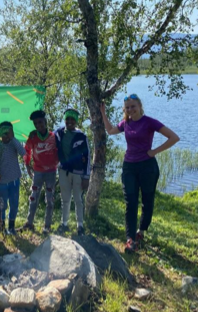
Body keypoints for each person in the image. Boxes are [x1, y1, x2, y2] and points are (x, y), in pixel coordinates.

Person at [100, 94, 180, 253]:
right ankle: (130, 239)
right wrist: (103, 112)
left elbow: (173, 137)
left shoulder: (150, 122)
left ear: (139, 106)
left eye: (133, 106)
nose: (130, 110)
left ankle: (141, 231)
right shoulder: (126, 123)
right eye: (127, 107)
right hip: (129, 167)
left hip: (147, 167)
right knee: (130, 202)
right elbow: (109, 131)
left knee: (147, 200)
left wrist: (154, 151)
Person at [54, 108, 90, 236]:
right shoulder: (58, 133)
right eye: (67, 119)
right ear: (64, 120)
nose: (69, 122)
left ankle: (80, 225)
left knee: (78, 199)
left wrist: (86, 177)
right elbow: (48, 140)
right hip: (63, 171)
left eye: (72, 119)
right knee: (65, 199)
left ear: (76, 121)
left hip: (78, 173)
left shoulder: (81, 136)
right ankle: (64, 224)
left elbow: (88, 157)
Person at [22, 110, 59, 234]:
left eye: (41, 122)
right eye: (36, 123)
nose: (39, 125)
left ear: (45, 122)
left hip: (51, 173)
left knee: (50, 199)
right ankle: (29, 223)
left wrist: (56, 163)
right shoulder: (33, 137)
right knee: (33, 197)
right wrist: (27, 165)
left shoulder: (53, 137)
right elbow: (27, 150)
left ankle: (47, 226)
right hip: (37, 172)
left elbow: (59, 152)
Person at [0, 121, 26, 235]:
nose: (6, 136)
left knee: (14, 204)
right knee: (2, 205)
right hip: (2, 183)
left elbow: (23, 152)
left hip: (15, 181)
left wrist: (13, 138)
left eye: (8, 133)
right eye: (4, 133)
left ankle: (11, 227)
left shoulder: (14, 144)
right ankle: (2, 227)